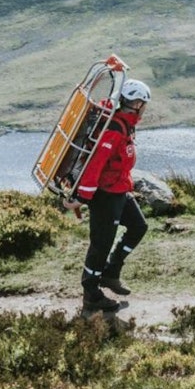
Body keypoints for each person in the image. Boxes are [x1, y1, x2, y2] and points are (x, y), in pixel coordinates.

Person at [64, 79, 151, 313]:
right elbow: (95, 165)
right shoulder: (113, 129)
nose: (144, 108)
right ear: (135, 103)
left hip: (120, 189)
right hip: (106, 195)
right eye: (142, 103)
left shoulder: (125, 123)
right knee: (100, 244)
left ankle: (111, 273)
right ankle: (91, 294)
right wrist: (83, 197)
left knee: (138, 227)